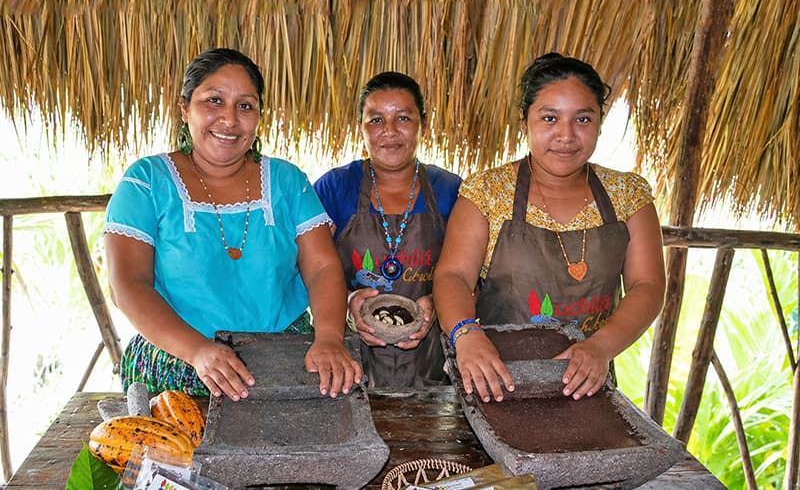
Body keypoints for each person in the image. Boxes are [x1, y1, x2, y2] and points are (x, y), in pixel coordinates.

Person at [103, 47, 361, 401]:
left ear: (258, 116)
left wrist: (329, 337)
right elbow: (128, 284)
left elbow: (322, 267)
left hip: (282, 360)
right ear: (184, 108)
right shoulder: (147, 181)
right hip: (177, 368)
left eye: (245, 105)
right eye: (213, 101)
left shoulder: (287, 181)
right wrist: (198, 351)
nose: (229, 119)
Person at [433, 53, 665, 403]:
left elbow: (647, 285)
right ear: (524, 123)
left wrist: (599, 348)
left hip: (585, 382)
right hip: (492, 379)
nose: (566, 135)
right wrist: (466, 335)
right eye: (550, 118)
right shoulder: (487, 192)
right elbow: (453, 276)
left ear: (600, 123)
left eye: (583, 119)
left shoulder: (628, 195)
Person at [314, 71, 462, 387]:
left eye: (403, 118)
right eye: (376, 120)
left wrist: (439, 303)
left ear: (424, 122)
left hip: (431, 364)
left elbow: (470, 276)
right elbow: (311, 268)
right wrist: (348, 300)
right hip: (347, 363)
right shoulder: (335, 187)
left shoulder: (451, 190)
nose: (390, 132)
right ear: (361, 128)